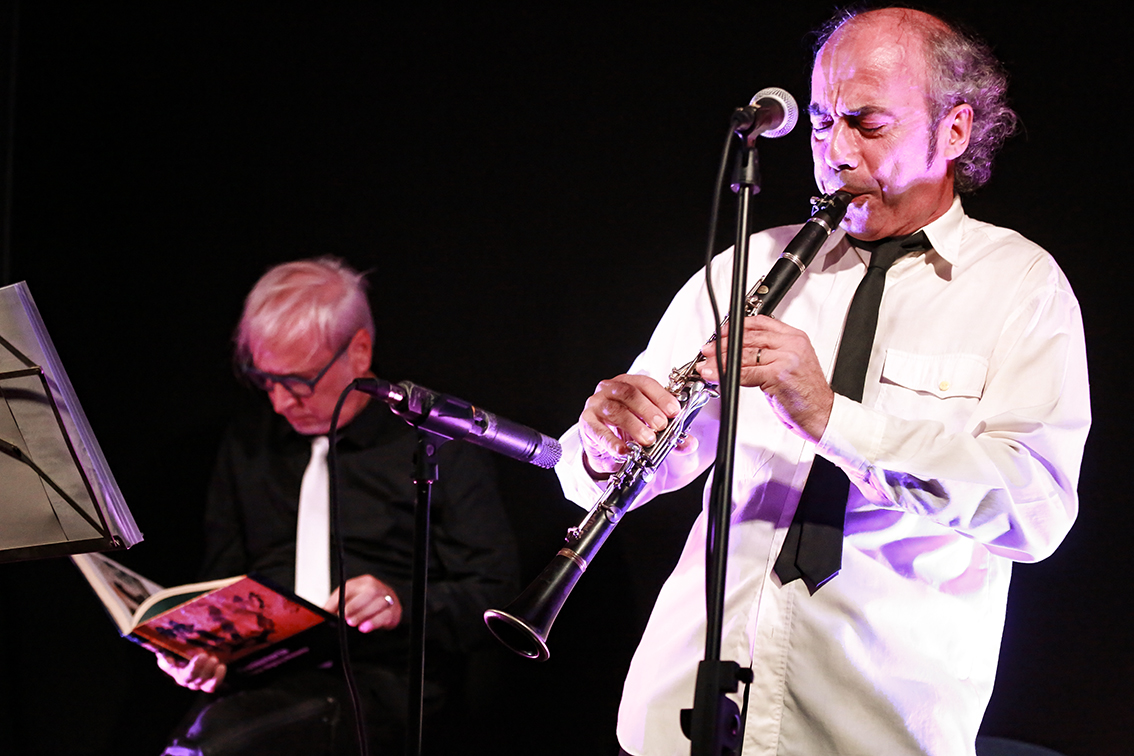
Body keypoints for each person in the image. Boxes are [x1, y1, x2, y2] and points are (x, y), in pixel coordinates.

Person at [555, 8, 1090, 756]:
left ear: (954, 130)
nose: (835, 153)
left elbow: (1035, 512)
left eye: (867, 124)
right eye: (819, 123)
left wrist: (832, 418)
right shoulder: (749, 267)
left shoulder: (1020, 285)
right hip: (684, 707)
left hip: (875, 727)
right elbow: (603, 476)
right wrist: (604, 443)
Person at [156, 256, 519, 754]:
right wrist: (205, 648)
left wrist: (399, 603)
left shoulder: (433, 442)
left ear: (360, 351)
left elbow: (495, 593)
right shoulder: (248, 446)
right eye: (265, 380)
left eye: (299, 381)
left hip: (384, 679)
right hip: (261, 682)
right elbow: (222, 580)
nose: (280, 402)